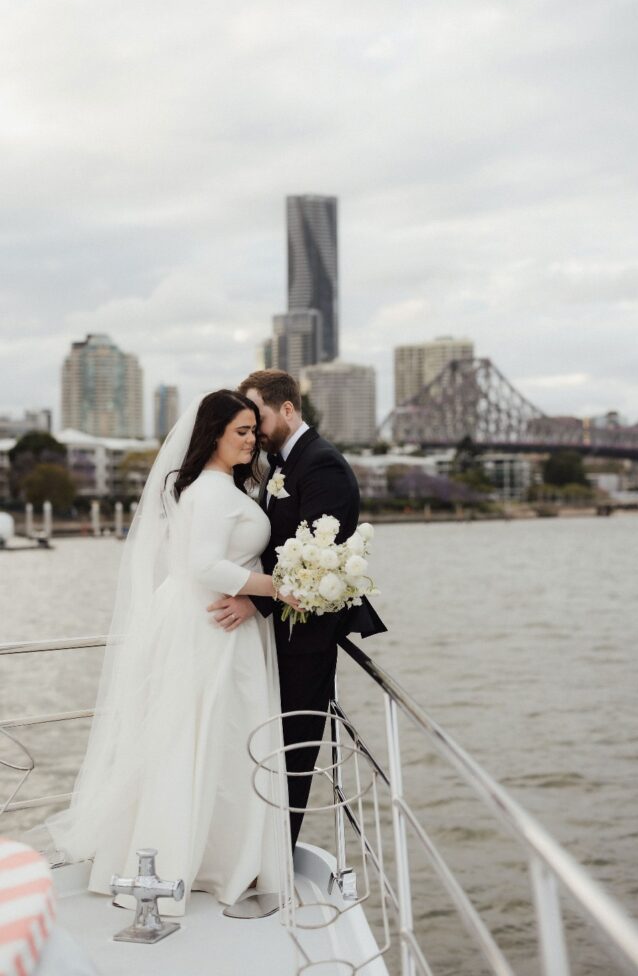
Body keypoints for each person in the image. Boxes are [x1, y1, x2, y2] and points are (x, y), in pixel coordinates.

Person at [43, 390, 297, 916]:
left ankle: (214, 853)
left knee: (219, 738)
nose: (251, 441)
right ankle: (187, 859)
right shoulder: (207, 493)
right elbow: (204, 565)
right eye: (241, 432)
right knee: (197, 737)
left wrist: (255, 594)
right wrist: (276, 589)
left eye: (254, 431)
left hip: (217, 622)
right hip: (207, 625)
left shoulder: (220, 488)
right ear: (214, 434)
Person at [208, 370, 386, 847]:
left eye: (258, 418)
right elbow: (290, 548)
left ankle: (279, 858)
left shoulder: (321, 465)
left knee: (296, 750)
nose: (255, 429)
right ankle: (259, 851)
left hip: (306, 637)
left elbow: (316, 561)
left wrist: (253, 600)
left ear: (287, 409)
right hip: (281, 632)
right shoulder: (284, 461)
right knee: (272, 744)